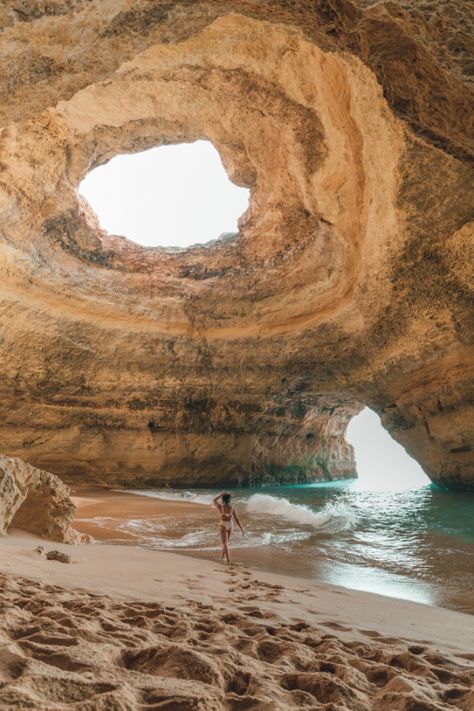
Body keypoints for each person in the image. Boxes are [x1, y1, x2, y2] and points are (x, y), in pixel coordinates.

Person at [212, 492, 244, 564]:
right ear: (229, 500)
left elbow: (214, 500)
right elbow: (236, 519)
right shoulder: (232, 508)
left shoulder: (220, 507)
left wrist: (220, 494)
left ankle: (226, 559)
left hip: (223, 524)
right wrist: (241, 529)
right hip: (230, 524)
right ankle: (225, 559)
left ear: (223, 499)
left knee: (225, 544)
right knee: (226, 543)